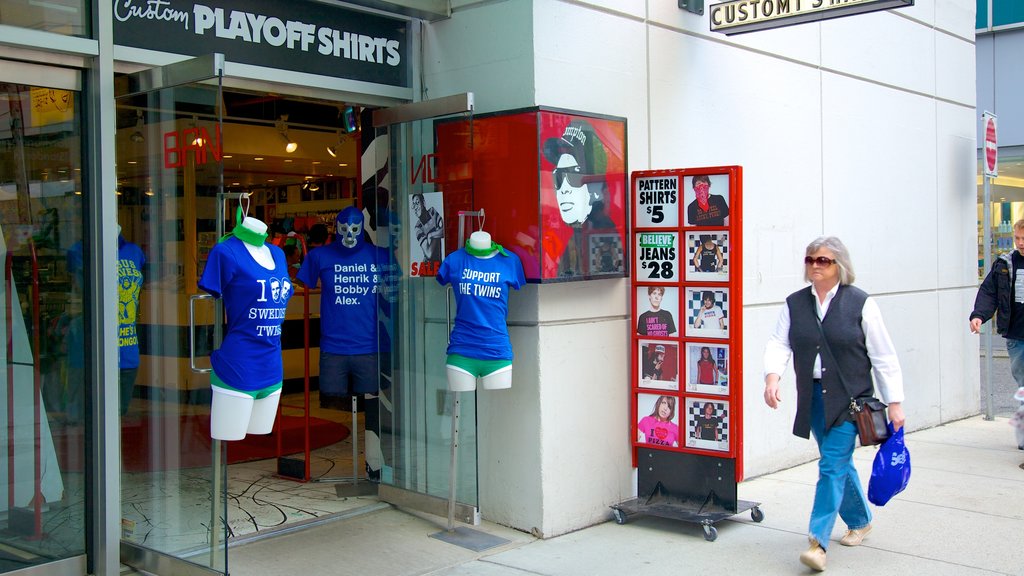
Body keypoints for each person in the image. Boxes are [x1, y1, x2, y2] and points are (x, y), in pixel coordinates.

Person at [762, 236, 904, 572]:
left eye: (822, 260)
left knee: (830, 467)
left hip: (849, 402)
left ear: (839, 264)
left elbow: (883, 356)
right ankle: (861, 520)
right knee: (836, 463)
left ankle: (818, 542)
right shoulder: (795, 303)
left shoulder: (860, 303)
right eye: (810, 259)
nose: (814, 265)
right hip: (812, 399)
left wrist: (895, 402)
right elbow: (779, 343)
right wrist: (772, 377)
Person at [297, 206, 390, 480]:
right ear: (335, 229)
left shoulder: (380, 257)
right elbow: (304, 284)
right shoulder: (318, 257)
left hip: (370, 348)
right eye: (344, 229)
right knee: (338, 403)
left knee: (371, 405)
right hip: (333, 349)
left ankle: (372, 463)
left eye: (354, 229)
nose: (349, 234)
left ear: (362, 229)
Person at [198, 212, 293, 441]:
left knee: (260, 434)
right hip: (238, 364)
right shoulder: (226, 251)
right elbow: (214, 290)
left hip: (272, 365)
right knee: (230, 436)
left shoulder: (277, 254)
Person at [436, 229, 525, 392]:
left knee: (501, 407)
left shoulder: (510, 261)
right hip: (462, 351)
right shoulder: (454, 260)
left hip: (497, 352)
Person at [542, 119, 616, 277]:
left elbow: (607, 268)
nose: (564, 190)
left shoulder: (601, 227)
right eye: (559, 178)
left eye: (573, 176)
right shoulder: (564, 233)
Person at [970, 218, 1024, 404]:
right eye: (1017, 238)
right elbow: (989, 292)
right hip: (1017, 337)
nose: (1021, 243)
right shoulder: (1005, 264)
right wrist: (979, 315)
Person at [412, 193, 444, 263]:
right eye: (413, 205)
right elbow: (429, 254)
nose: (415, 207)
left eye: (417, 203)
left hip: (439, 264)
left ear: (423, 203)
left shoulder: (432, 212)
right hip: (427, 268)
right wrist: (437, 231)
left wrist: (431, 235)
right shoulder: (418, 228)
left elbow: (444, 231)